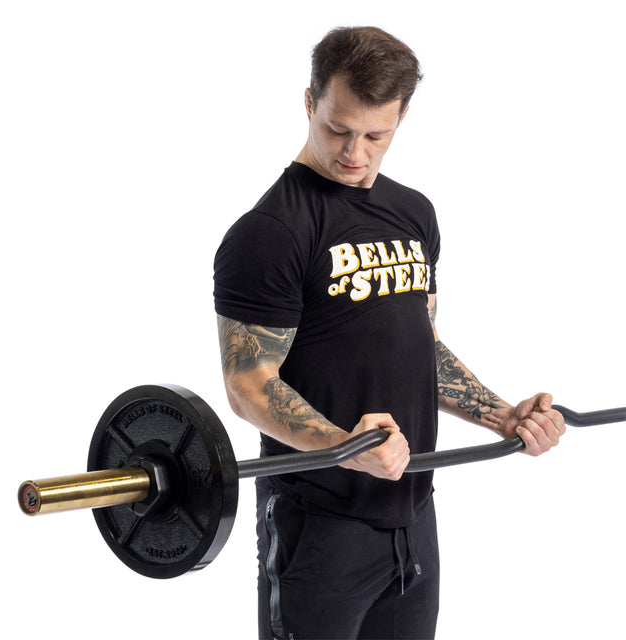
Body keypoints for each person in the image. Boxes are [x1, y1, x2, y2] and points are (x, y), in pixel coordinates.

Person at [213, 26, 565, 640]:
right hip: (317, 525)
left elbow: (419, 347)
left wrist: (504, 416)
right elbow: (248, 384)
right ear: (309, 103)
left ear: (401, 118)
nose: (356, 152)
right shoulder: (271, 231)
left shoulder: (413, 213)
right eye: (338, 129)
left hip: (413, 516)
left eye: (377, 135)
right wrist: (344, 444)